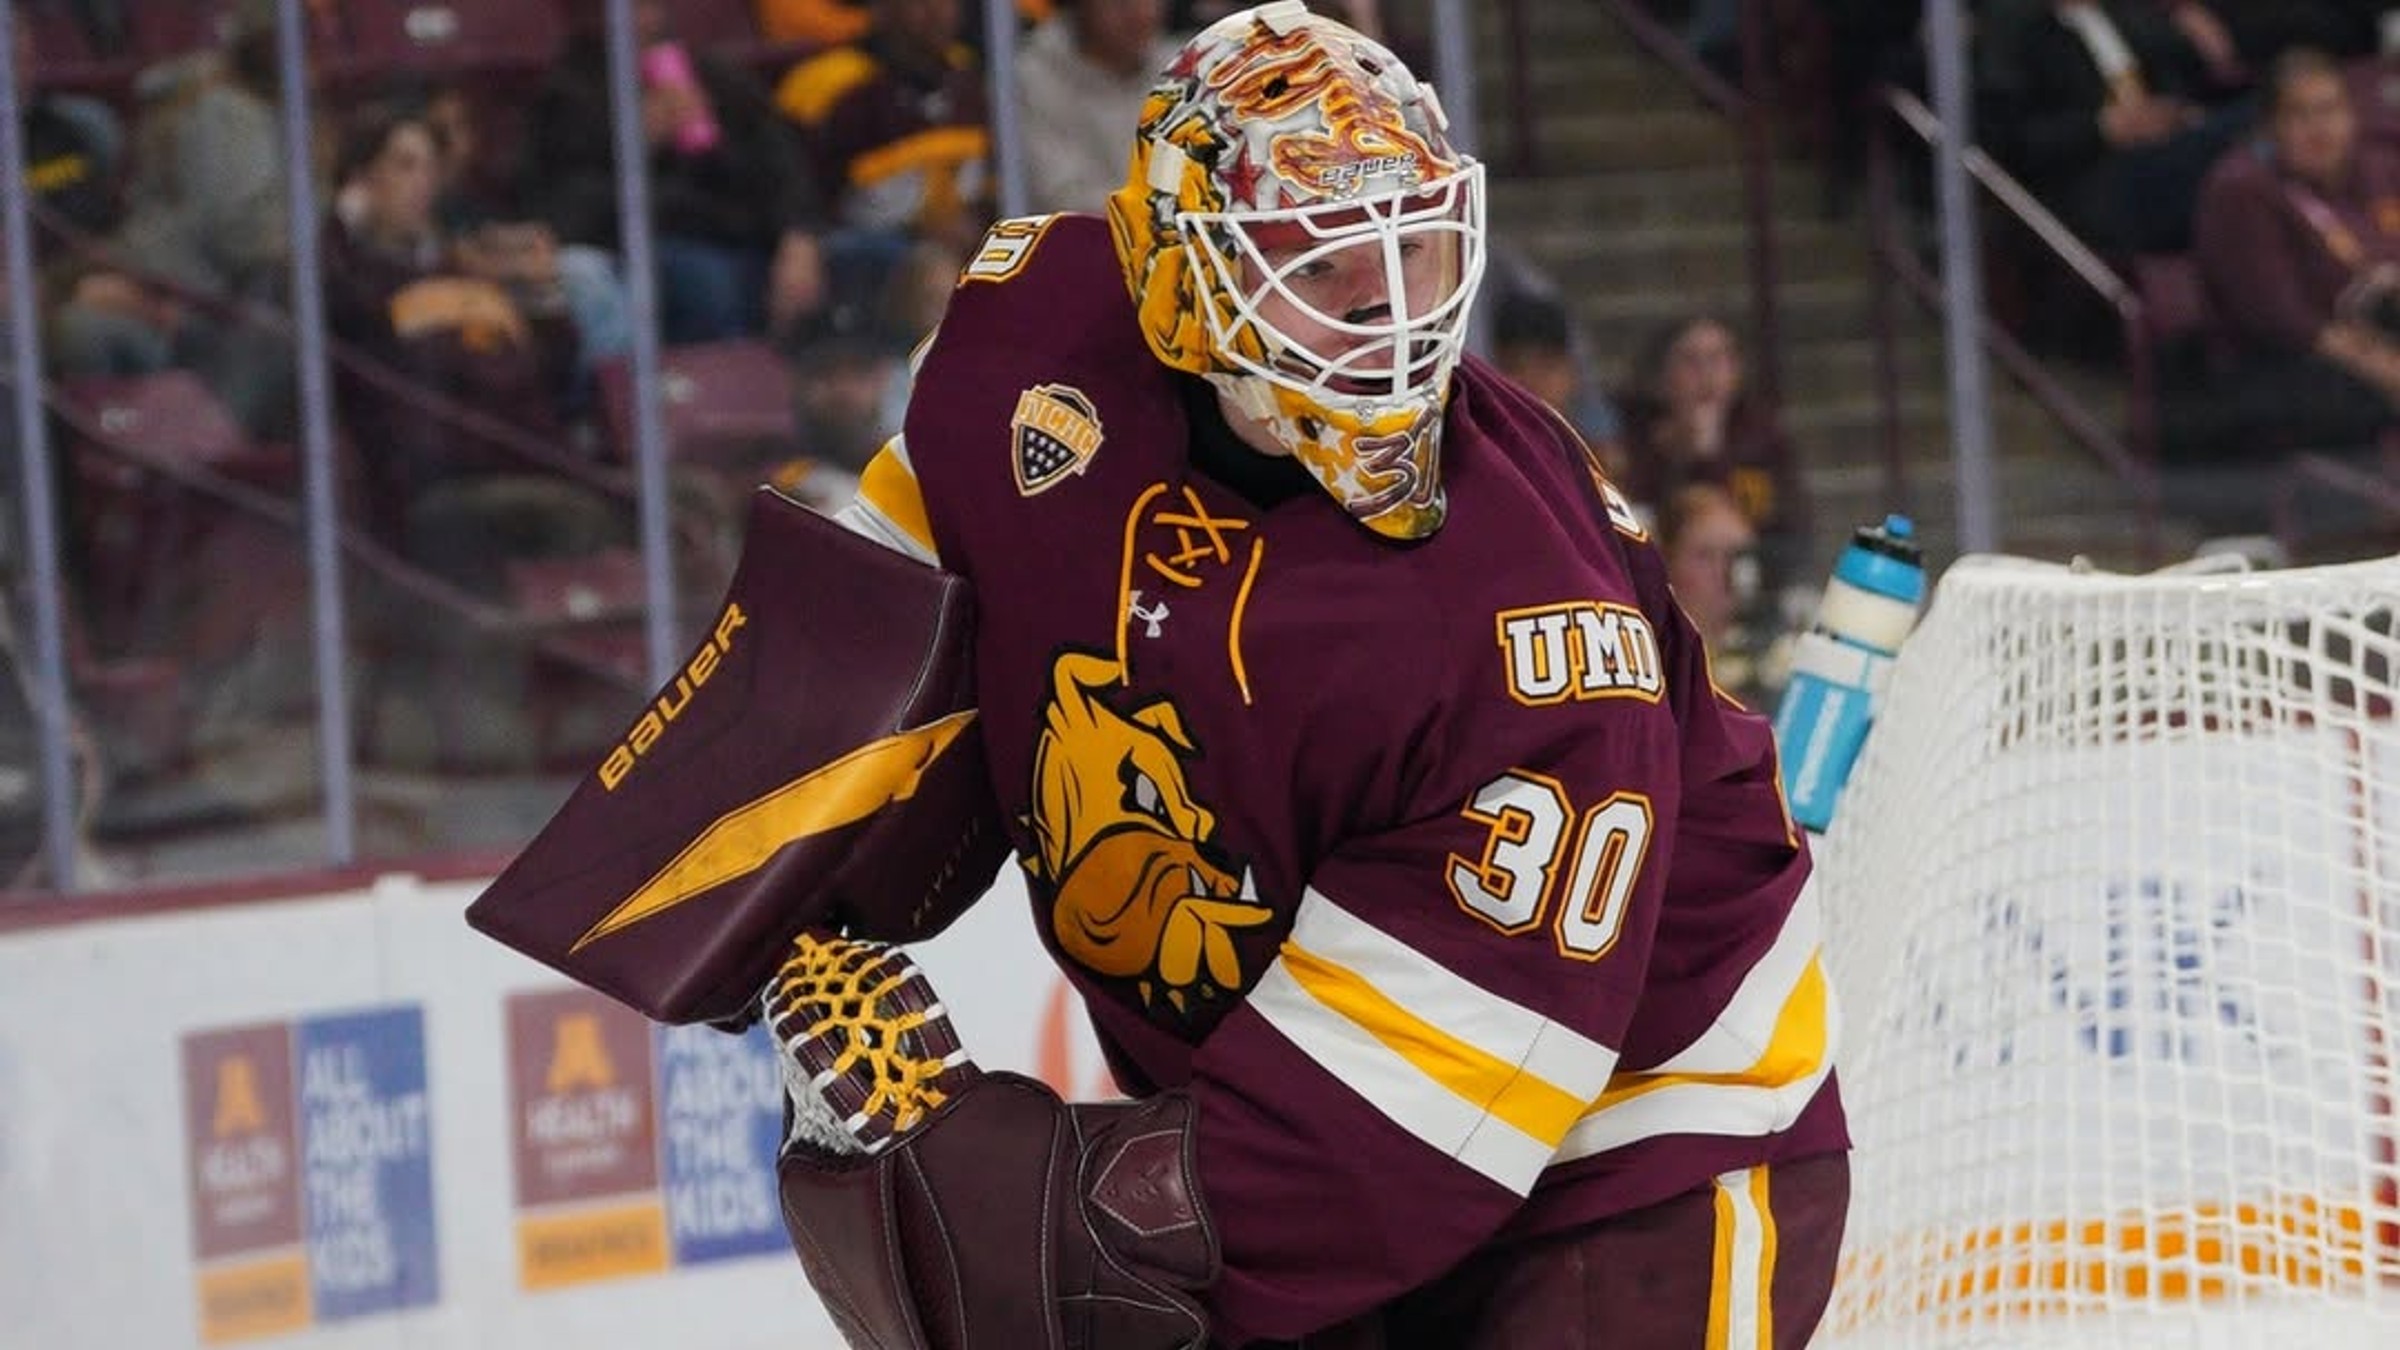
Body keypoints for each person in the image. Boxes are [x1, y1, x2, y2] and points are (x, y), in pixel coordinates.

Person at [472, 5, 1847, 1347]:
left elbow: (1381, 1148)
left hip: (1639, 1138)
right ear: (1183, 277)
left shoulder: (1528, 636)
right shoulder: (1028, 343)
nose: (1391, 316)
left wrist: (1014, 1206)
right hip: (1305, 1072)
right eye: (1324, 265)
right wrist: (751, 895)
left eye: (1417, 253)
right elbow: (880, 648)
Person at [2193, 46, 2400, 456]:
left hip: (2374, 332)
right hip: (2282, 366)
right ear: (2270, 126)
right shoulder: (2241, 189)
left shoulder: (2374, 168)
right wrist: (2389, 369)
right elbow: (2284, 320)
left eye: (2330, 110)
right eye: (2300, 115)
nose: (2320, 128)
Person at [1618, 312, 1811, 597]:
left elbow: (1788, 528)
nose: (1707, 374)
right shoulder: (1635, 439)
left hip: (1752, 585)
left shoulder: (1763, 441)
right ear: (1661, 375)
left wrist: (1711, 458)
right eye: (1691, 361)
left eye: (1718, 358)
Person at [1015, 0, 1185, 214]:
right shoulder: (1031, 78)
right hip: (1080, 243)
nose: (1144, 14)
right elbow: (1062, 200)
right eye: (1121, 4)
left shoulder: (1183, 68)